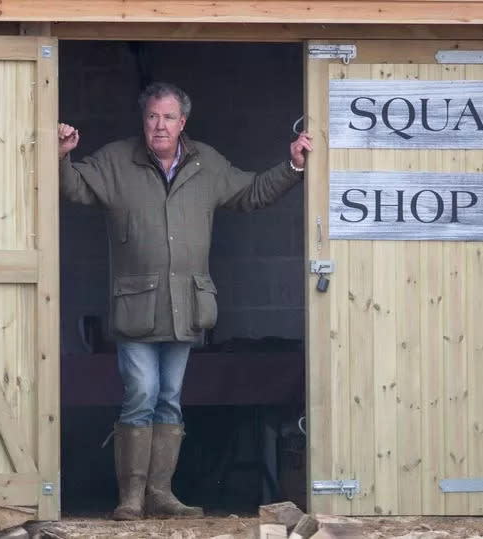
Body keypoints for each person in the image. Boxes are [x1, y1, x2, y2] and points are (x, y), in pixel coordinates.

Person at [58, 81, 312, 520]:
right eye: (152, 116)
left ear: (183, 123)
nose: (159, 125)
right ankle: (131, 498)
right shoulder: (116, 160)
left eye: (168, 117)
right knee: (141, 393)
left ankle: (161, 494)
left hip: (185, 308)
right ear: (144, 121)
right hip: (136, 308)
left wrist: (291, 166)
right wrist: (60, 154)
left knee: (170, 398)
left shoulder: (206, 163)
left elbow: (250, 192)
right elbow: (74, 187)